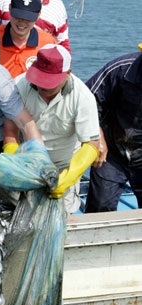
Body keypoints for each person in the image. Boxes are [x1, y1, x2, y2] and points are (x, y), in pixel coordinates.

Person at [15, 44, 104, 215]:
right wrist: (11, 154)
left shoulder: (83, 97)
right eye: (39, 80)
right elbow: (9, 126)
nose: (43, 87)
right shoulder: (19, 85)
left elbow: (91, 143)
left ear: (67, 74)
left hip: (63, 165)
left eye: (49, 83)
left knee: (61, 217)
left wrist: (69, 177)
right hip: (25, 162)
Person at [85, 48, 142, 212]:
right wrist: (97, 136)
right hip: (111, 151)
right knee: (100, 207)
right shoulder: (120, 69)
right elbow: (87, 101)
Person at [0, 0, 57, 79]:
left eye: (28, 18)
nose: (22, 22)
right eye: (18, 16)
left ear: (39, 15)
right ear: (9, 9)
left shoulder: (49, 43)